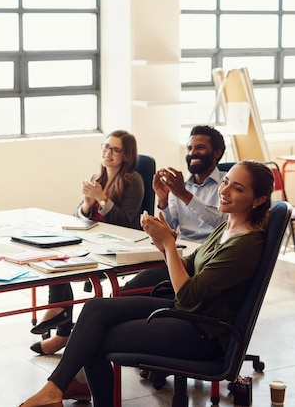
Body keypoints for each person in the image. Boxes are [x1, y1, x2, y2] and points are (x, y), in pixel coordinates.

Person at [18, 160, 273, 407]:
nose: (225, 191)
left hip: (204, 332)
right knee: (96, 309)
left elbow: (187, 294)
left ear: (258, 200)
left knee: (94, 338)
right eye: (226, 182)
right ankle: (54, 389)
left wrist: (171, 246)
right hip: (190, 314)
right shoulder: (227, 226)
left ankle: (55, 391)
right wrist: (163, 243)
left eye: (237, 188)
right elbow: (189, 267)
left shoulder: (245, 245)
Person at [30, 130, 145, 361]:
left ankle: (61, 323)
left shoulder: (133, 181)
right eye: (105, 146)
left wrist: (103, 200)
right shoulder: (98, 178)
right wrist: (86, 203)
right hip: (92, 239)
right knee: (58, 252)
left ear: (126, 155)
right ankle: (60, 316)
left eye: (115, 149)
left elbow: (126, 223)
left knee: (66, 258)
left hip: (117, 245)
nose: (108, 153)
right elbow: (78, 216)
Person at [121, 125, 228, 292]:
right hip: (180, 254)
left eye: (200, 147)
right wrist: (163, 200)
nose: (192, 153)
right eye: (189, 148)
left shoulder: (226, 185)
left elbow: (222, 222)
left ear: (217, 153)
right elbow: (170, 228)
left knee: (134, 289)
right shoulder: (180, 185)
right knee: (129, 288)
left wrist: (184, 195)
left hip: (206, 257)